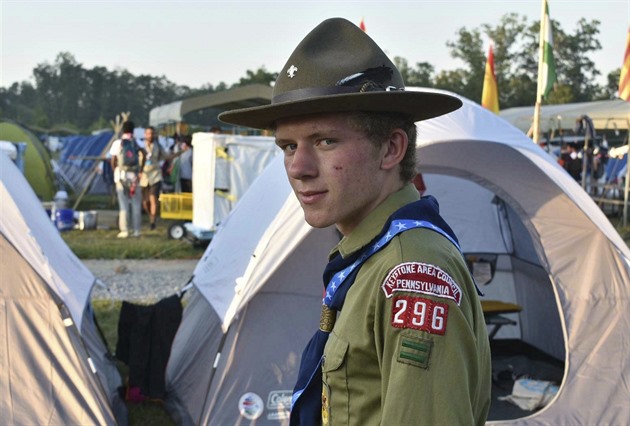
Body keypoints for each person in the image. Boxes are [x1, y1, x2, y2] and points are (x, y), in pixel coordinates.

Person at [219, 18, 491, 426]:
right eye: (288, 146)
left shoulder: (411, 271)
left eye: (326, 141)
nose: (299, 168)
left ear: (391, 148)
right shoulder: (371, 254)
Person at [140, 126, 184, 230]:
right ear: (145, 135)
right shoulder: (141, 146)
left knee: (153, 199)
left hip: (155, 175)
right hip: (144, 176)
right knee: (145, 202)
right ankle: (151, 215)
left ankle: (152, 222)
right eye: (148, 133)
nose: (150, 136)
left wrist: (179, 153)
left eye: (152, 133)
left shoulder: (158, 146)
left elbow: (167, 157)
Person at [110, 120, 145, 238]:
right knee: (136, 204)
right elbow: (144, 154)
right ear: (133, 130)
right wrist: (141, 170)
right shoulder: (136, 142)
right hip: (134, 177)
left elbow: (113, 159)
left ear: (122, 130)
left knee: (123, 204)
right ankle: (137, 230)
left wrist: (115, 169)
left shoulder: (118, 143)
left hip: (120, 176)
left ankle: (124, 230)